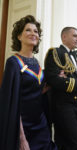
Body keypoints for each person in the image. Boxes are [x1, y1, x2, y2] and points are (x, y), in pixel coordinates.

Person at [0, 15, 57, 150]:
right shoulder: (13, 63)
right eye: (28, 30)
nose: (33, 33)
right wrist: (21, 138)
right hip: (22, 127)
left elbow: (35, 91)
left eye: (36, 31)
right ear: (19, 36)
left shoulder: (37, 63)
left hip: (41, 124)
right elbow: (12, 101)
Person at [44, 27, 77, 150]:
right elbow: (52, 79)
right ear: (64, 37)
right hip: (62, 107)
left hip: (76, 107)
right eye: (74, 36)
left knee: (64, 145)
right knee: (75, 146)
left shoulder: (76, 59)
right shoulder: (56, 52)